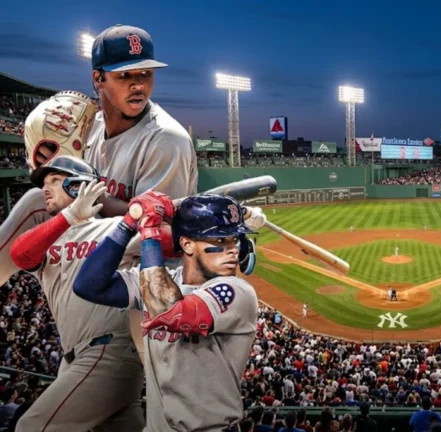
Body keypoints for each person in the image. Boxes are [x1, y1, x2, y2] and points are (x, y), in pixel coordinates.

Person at [0, 23, 197, 285]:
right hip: (98, 244)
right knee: (38, 200)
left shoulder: (166, 139)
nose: (138, 84)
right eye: (124, 76)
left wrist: (90, 198)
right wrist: (48, 173)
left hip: (147, 268)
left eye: (145, 73)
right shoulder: (87, 129)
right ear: (98, 79)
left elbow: (157, 231)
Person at [72, 193, 263, 431]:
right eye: (221, 241)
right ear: (187, 244)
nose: (233, 250)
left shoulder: (237, 292)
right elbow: (87, 285)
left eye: (235, 240)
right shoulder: (155, 283)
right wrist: (128, 224)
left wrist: (149, 230)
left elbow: (167, 310)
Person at [9, 156, 144, 431]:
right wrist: (69, 217)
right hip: (75, 357)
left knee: (31, 427)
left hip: (110, 349)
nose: (45, 189)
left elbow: (165, 236)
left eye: (55, 181)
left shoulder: (114, 229)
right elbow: (19, 254)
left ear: (79, 186)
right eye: (44, 183)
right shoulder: (47, 238)